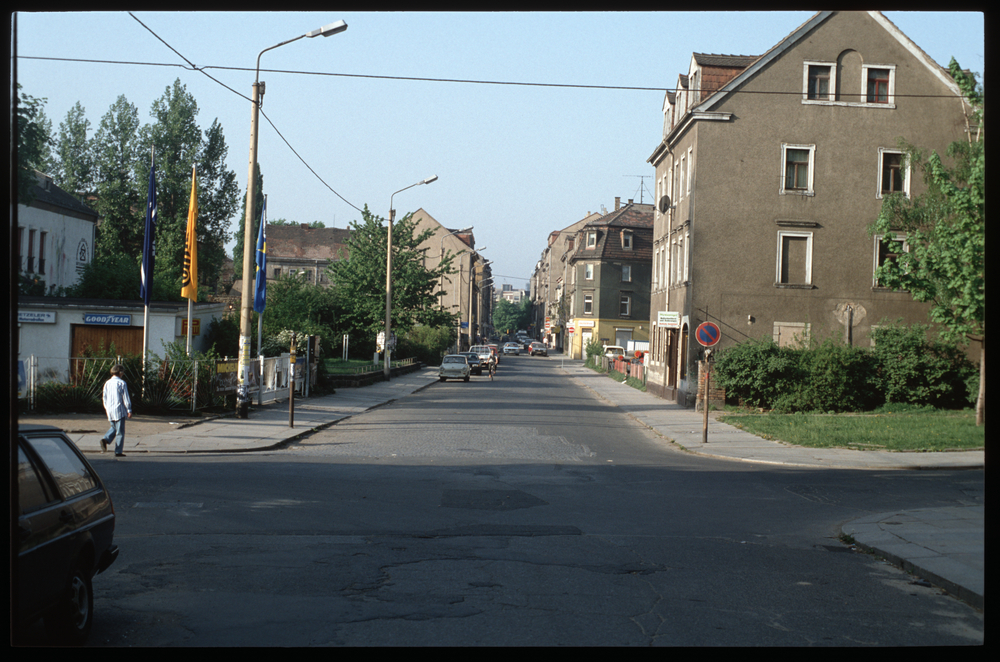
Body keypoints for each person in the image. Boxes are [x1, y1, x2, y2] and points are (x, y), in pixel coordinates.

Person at [100, 364, 132, 457]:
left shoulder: (107, 383)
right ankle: (118, 451)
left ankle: (105, 439)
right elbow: (126, 397)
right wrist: (129, 409)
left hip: (110, 409)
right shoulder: (122, 383)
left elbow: (104, 397)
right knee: (120, 431)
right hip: (119, 409)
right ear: (120, 372)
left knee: (114, 427)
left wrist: (106, 407)